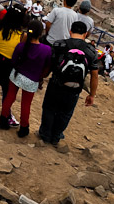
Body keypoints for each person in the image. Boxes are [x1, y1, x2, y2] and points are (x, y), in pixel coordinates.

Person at [38, 21, 97, 149]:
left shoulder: (59, 44)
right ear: (85, 34)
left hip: (56, 84)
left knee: (49, 108)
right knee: (65, 113)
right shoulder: (91, 51)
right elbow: (94, 74)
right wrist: (92, 94)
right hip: (74, 89)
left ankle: (45, 134)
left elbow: (50, 65)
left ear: (70, 31)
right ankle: (56, 136)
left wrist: (42, 77)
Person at [0, 19, 52, 137]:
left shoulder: (21, 46)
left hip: (17, 75)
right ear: (40, 33)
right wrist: (41, 77)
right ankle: (24, 128)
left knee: (10, 97)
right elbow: (47, 66)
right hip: (32, 80)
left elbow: (13, 61)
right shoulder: (46, 50)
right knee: (26, 104)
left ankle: (3, 119)